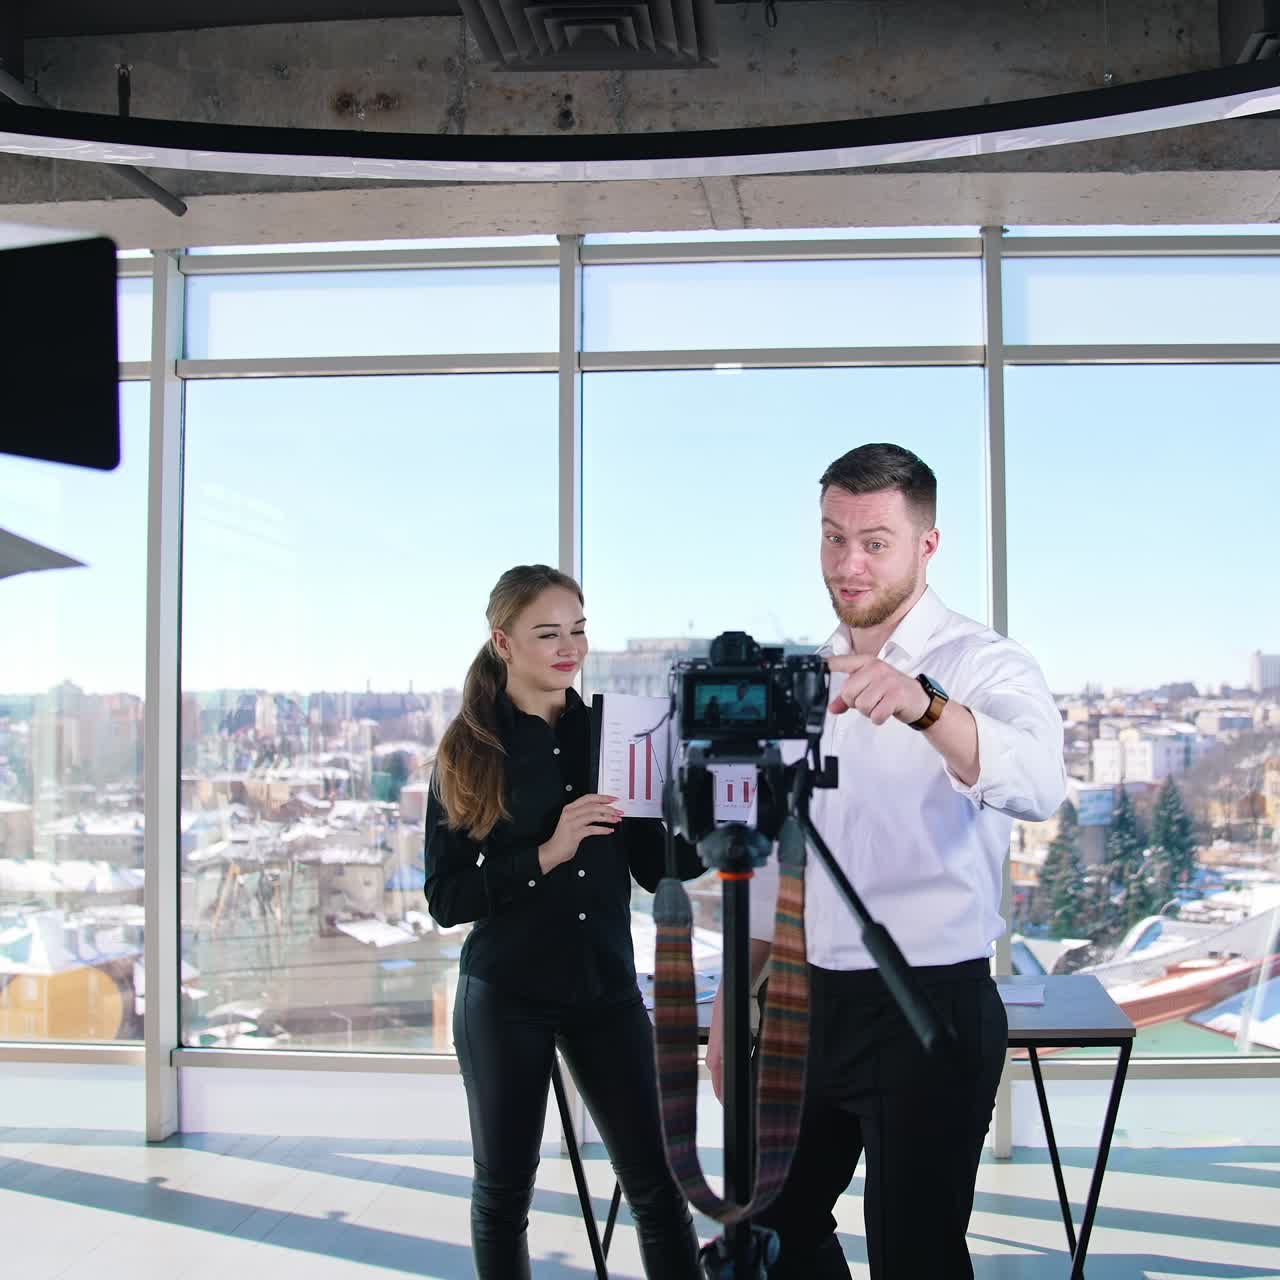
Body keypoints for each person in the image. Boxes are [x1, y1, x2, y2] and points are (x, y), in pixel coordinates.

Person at [705, 443, 1067, 1278]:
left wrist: (925, 705)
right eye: (834, 538)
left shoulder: (984, 663)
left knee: (915, 1255)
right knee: (772, 1231)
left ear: (926, 546)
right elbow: (771, 851)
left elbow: (1039, 782)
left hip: (929, 1007)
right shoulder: (803, 676)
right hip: (805, 1005)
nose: (849, 563)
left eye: (874, 542)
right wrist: (732, 1002)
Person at [424, 563, 705, 1280]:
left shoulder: (618, 733)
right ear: (503, 643)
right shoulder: (467, 749)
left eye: (577, 630)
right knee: (502, 1196)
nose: (567, 647)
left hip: (604, 992)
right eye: (547, 633)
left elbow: (653, 868)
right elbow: (447, 898)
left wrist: (710, 816)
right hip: (505, 994)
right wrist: (545, 853)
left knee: (659, 1185)